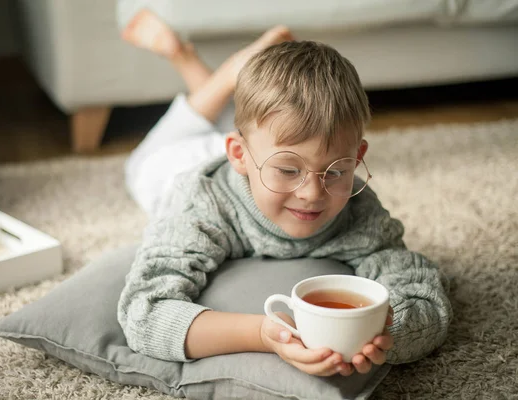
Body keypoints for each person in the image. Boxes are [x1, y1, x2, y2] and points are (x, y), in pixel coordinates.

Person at [118, 9, 452, 377]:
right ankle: (204, 62)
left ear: (357, 159)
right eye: (289, 171)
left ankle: (238, 82)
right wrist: (265, 333)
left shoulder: (360, 213)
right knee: (188, 128)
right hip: (165, 164)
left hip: (257, 148)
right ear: (239, 157)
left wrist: (383, 331)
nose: (312, 194)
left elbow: (426, 301)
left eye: (335, 171)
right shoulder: (200, 203)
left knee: (256, 119)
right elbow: (143, 314)